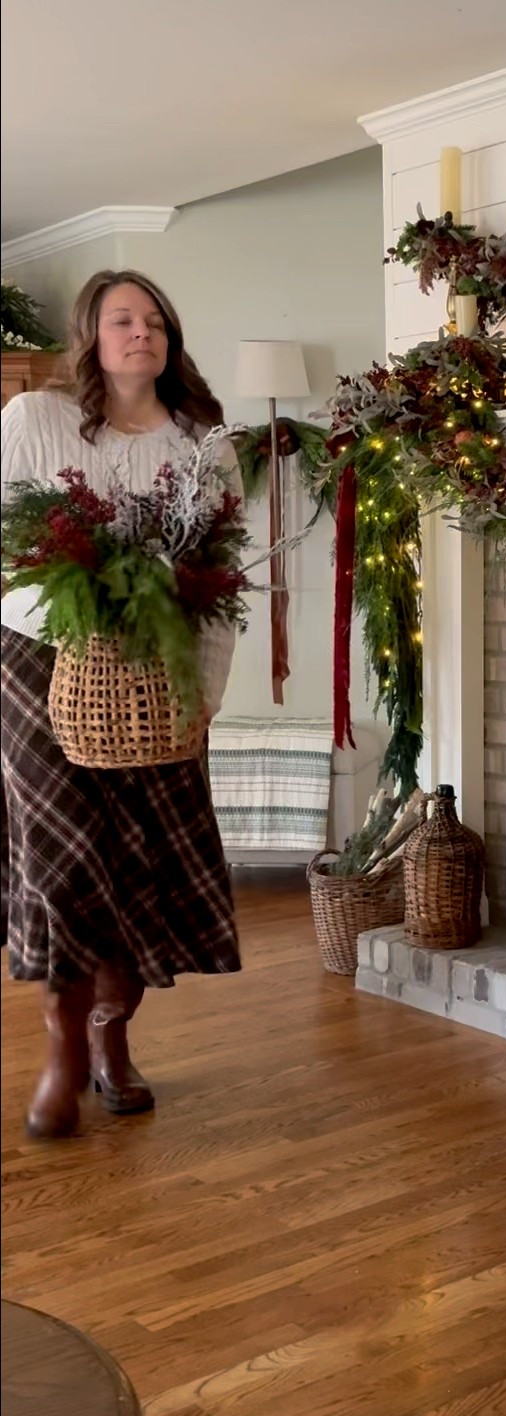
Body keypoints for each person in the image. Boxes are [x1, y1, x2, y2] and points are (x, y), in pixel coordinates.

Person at [1, 270, 242, 1138]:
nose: (141, 332)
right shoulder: (34, 420)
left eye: (155, 321)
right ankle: (63, 1053)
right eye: (121, 319)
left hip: (159, 680)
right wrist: (85, 615)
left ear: (170, 340)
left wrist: (203, 695)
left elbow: (220, 587)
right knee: (63, 866)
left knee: (138, 868)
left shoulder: (204, 445)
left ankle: (113, 1039)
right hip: (37, 669)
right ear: (91, 336)